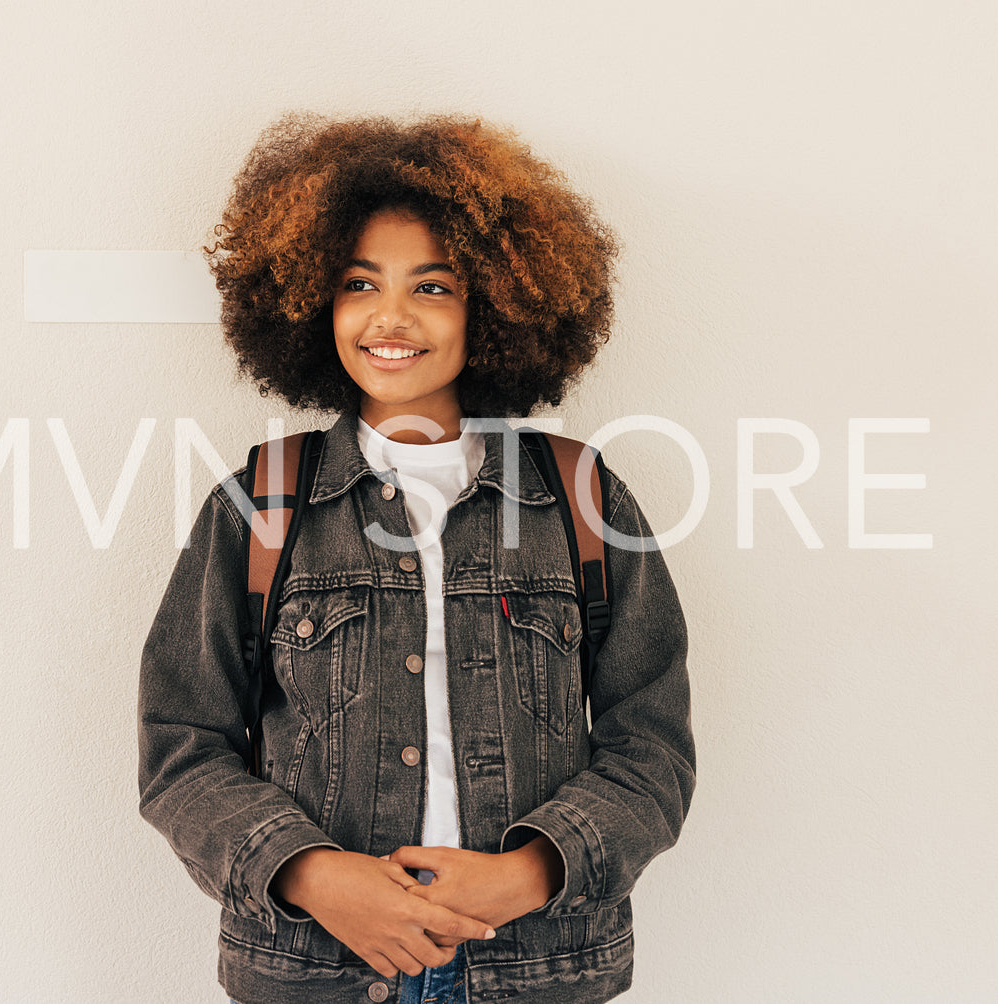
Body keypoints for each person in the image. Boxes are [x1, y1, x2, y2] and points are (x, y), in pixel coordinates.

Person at [138, 112, 695, 1004]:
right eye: (361, 283)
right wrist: (314, 875)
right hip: (319, 970)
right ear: (313, 300)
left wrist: (527, 873)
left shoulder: (579, 500)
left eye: (431, 288)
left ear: (499, 306)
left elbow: (651, 745)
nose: (389, 317)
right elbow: (181, 745)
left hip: (537, 967)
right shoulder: (263, 503)